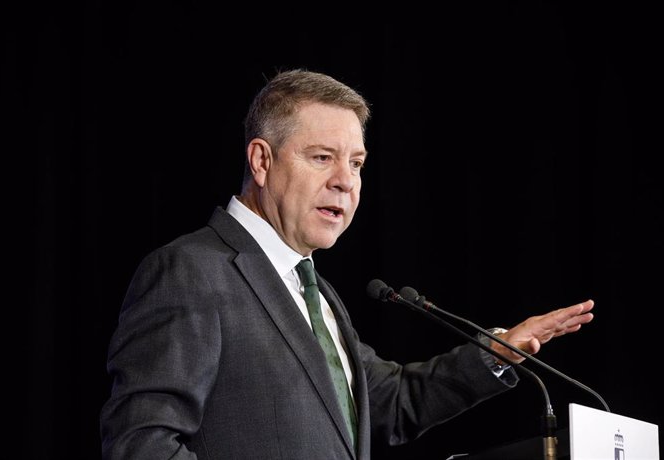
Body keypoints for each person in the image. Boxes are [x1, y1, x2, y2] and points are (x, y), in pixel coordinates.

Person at [99, 68, 595, 459]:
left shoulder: (316, 293)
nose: (346, 181)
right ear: (261, 161)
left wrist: (496, 354)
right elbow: (141, 444)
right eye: (322, 158)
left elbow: (393, 404)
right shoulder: (191, 271)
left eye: (356, 163)